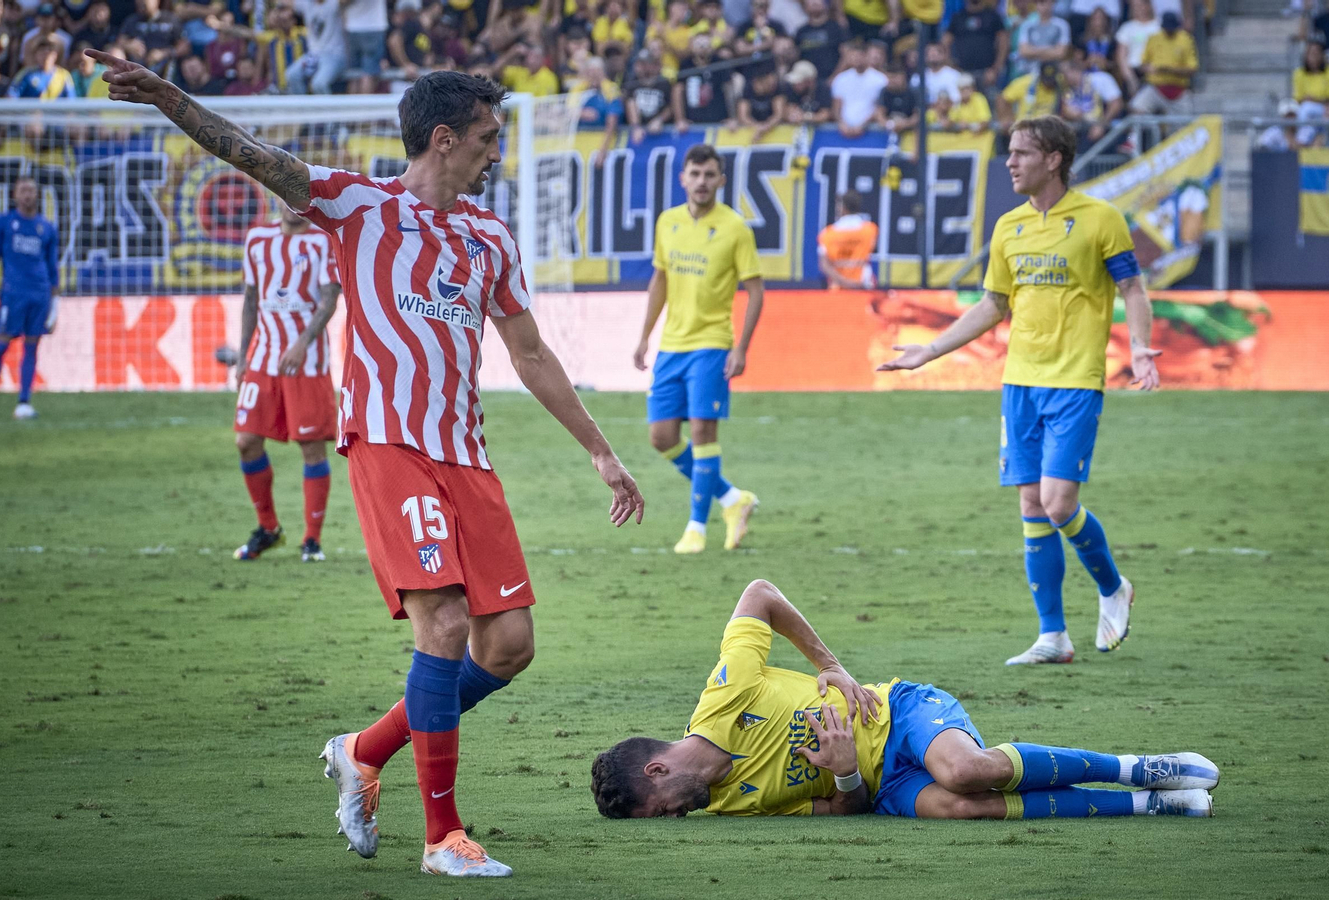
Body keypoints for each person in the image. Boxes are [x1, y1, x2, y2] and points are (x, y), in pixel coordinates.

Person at [87, 51, 645, 876]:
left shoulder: (490, 236)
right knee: (446, 627)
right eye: (489, 138)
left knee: (510, 646)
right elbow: (242, 150)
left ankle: (363, 750)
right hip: (387, 444)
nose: (499, 152)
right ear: (445, 138)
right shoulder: (356, 206)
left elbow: (529, 355)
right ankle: (442, 837)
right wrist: (168, 94)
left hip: (468, 454)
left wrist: (601, 450)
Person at [878, 116, 1159, 665]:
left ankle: (1112, 586)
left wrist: (1141, 347)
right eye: (1009, 153)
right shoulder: (1009, 227)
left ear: (1054, 159)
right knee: (1032, 504)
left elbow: (1132, 287)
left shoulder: (1101, 219)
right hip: (1020, 384)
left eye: (1021, 153)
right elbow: (992, 305)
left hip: (1075, 380)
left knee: (1058, 502)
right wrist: (930, 351)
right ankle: (1053, 636)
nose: (1009, 162)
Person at [590, 579, 1219, 818]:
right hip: (883, 785)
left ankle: (1140, 768)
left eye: (662, 809)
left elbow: (759, 594)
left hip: (901, 713)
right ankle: (1147, 806)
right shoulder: (730, 805)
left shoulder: (723, 700)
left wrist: (830, 665)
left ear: (657, 769)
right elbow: (847, 811)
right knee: (958, 808)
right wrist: (840, 777)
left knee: (965, 772)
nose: (676, 818)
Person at [633, 145, 764, 555]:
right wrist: (644, 336)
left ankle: (696, 528)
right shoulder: (667, 222)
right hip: (672, 345)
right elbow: (660, 281)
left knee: (703, 431)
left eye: (710, 174)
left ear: (721, 180)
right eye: (696, 174)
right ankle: (731, 499)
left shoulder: (735, 227)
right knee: (661, 437)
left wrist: (740, 347)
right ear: (683, 178)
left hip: (712, 344)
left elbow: (756, 291)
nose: (702, 181)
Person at [227, 208, 342, 563]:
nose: (291, 203)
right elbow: (250, 300)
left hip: (306, 363)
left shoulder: (323, 240)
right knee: (246, 442)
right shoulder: (257, 239)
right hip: (262, 358)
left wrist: (301, 343)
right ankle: (268, 528)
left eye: (298, 195)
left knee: (311, 447)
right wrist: (244, 355)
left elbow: (329, 300)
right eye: (284, 194)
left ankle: (312, 540)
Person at [0, 176, 59, 422]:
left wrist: (55, 308)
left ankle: (24, 403)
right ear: (15, 195)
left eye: (31, 190)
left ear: (37, 195)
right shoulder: (4, 224)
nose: (28, 194)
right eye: (23, 190)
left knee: (31, 347)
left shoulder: (46, 228)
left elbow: (52, 270)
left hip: (39, 297)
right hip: (12, 296)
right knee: (0, 346)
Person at [1128, 10, 1196, 115]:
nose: (1169, 31)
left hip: (1179, 89)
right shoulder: (1154, 39)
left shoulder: (1185, 39)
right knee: (1136, 106)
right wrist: (1149, 69)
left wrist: (1170, 70)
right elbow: (1143, 65)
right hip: (1156, 87)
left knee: (1187, 120)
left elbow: (1192, 68)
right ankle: (1153, 129)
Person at [816, 190, 877, 290]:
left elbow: (824, 264)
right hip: (863, 285)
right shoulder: (870, 230)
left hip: (837, 286)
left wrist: (843, 282)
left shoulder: (827, 234)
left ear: (842, 208)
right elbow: (870, 249)